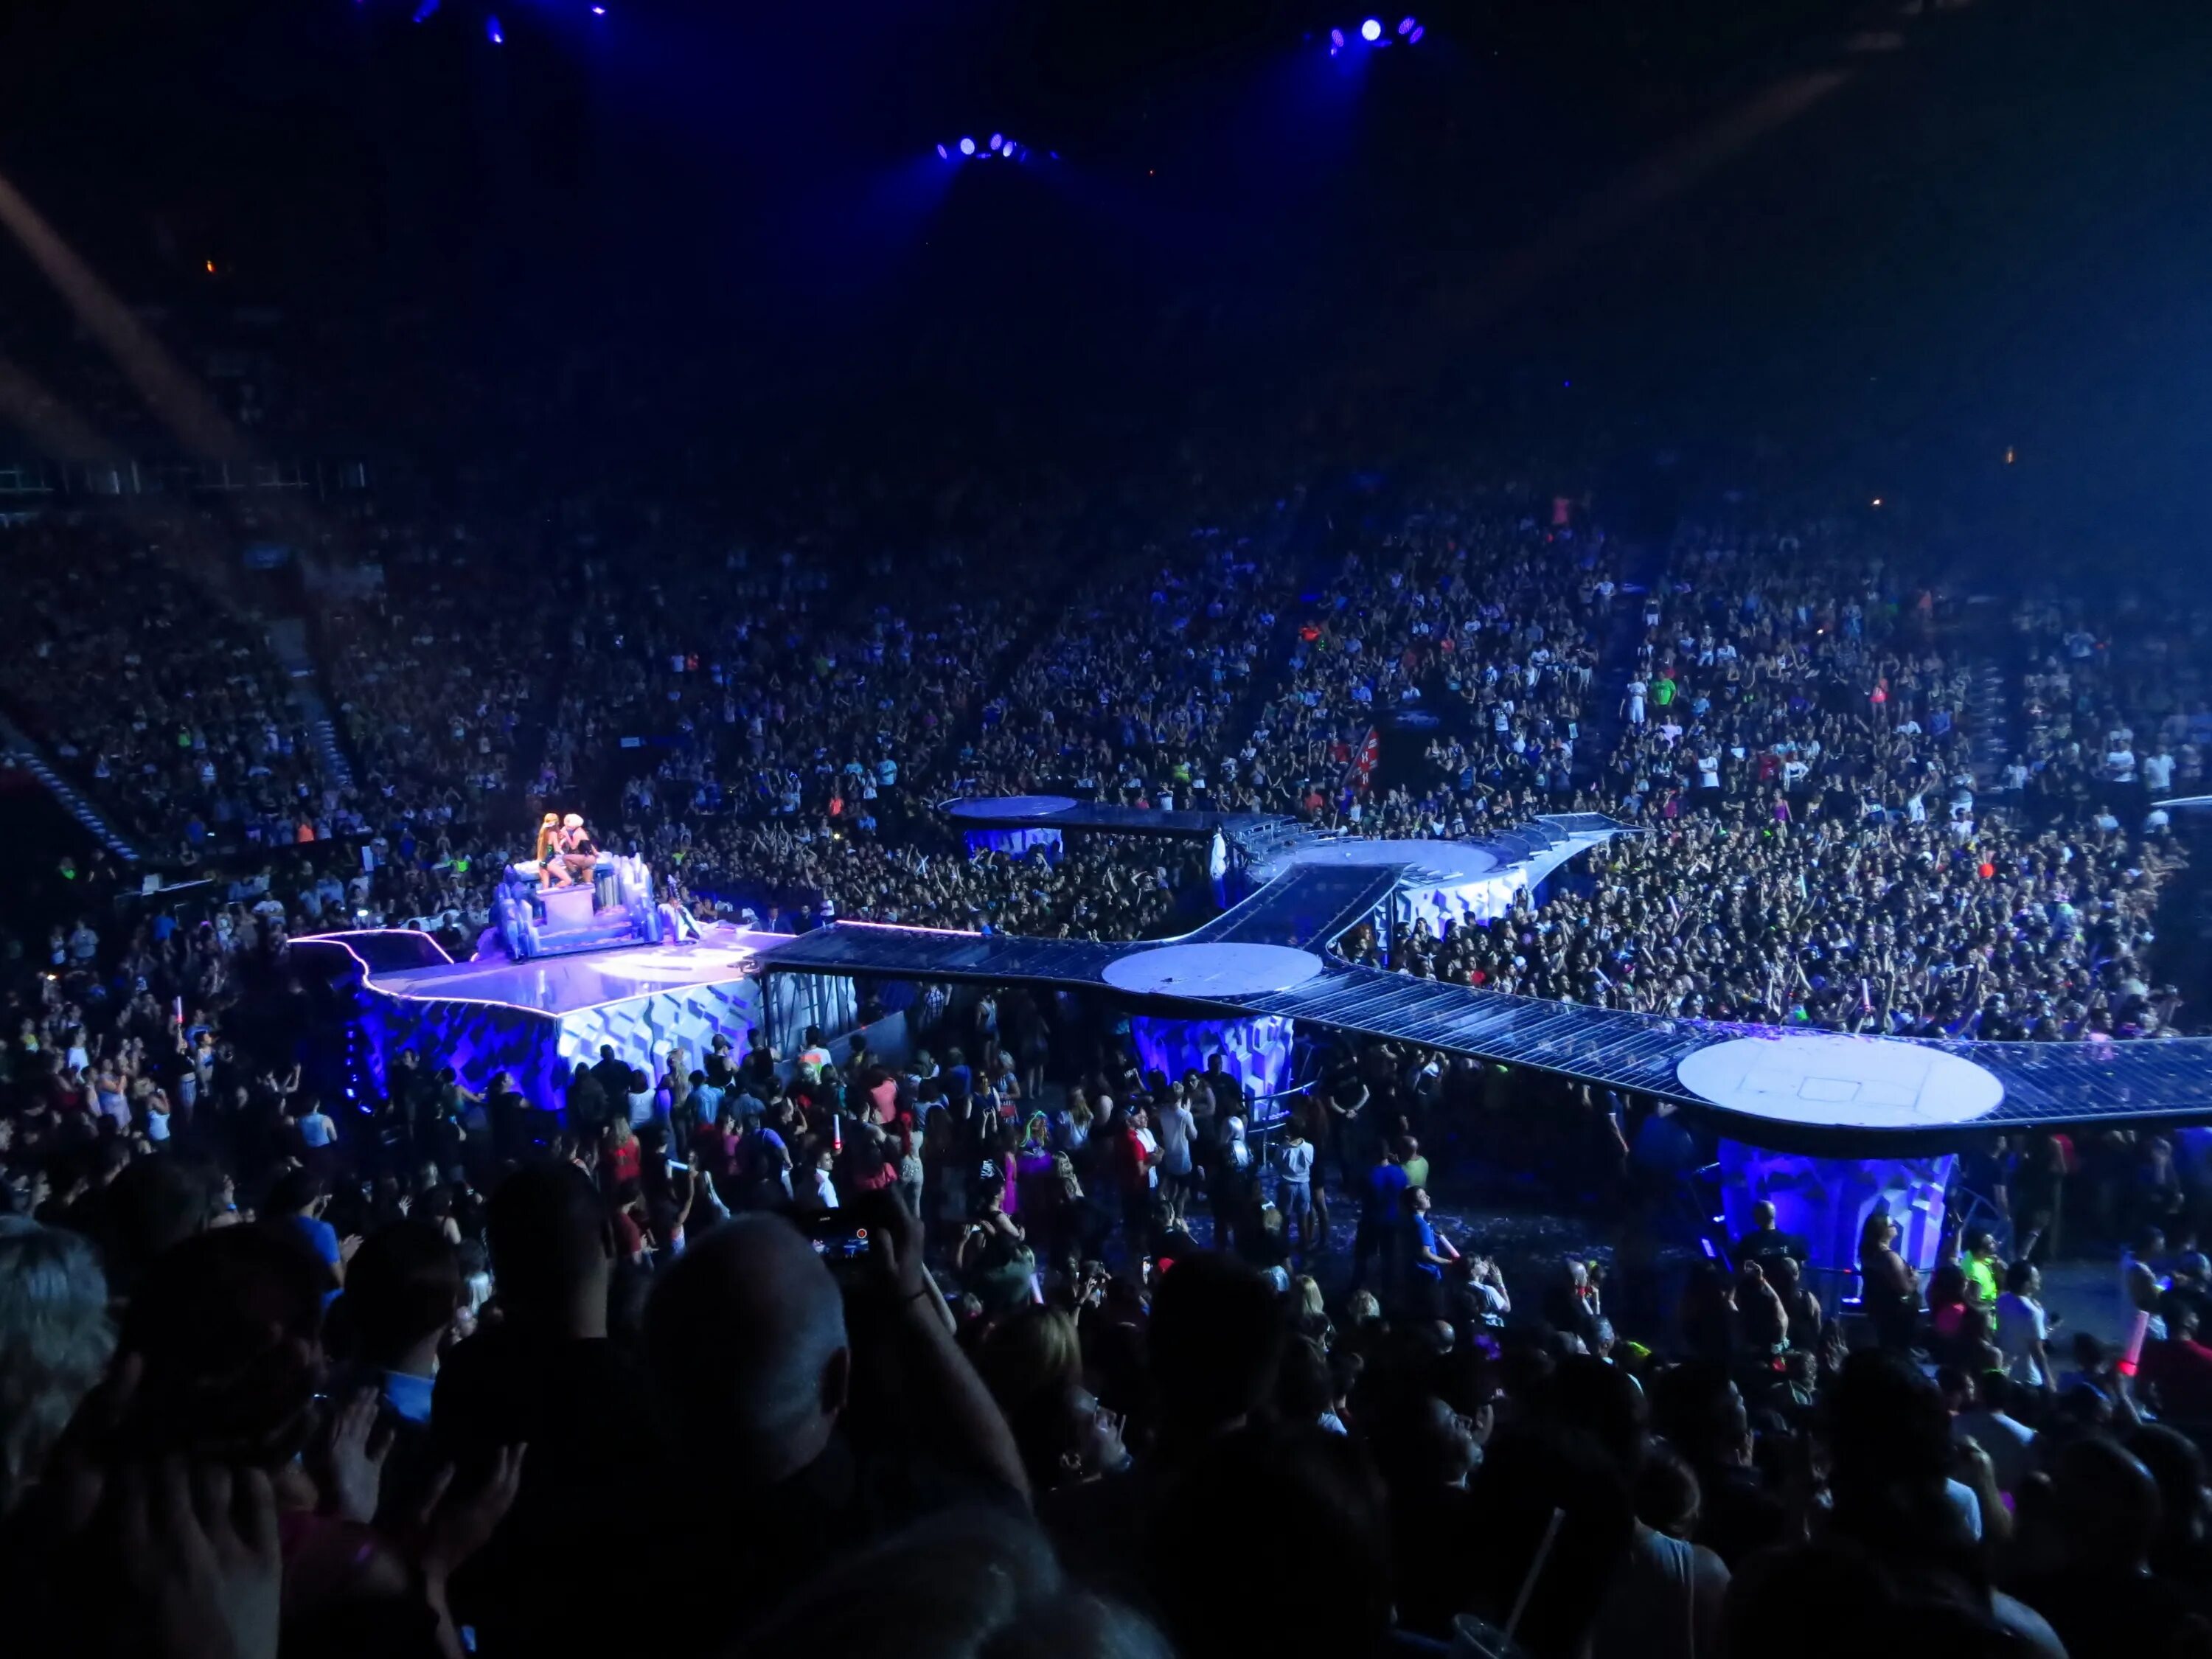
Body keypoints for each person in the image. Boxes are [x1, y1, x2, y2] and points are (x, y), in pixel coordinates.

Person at [1994, 1260, 2056, 1394]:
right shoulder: (2032, 1312)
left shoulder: (2002, 1300)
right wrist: (2049, 1380)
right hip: (2027, 1378)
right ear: (2026, 1284)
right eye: (2036, 1277)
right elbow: (2037, 1351)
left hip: (2007, 1371)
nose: (2039, 1279)